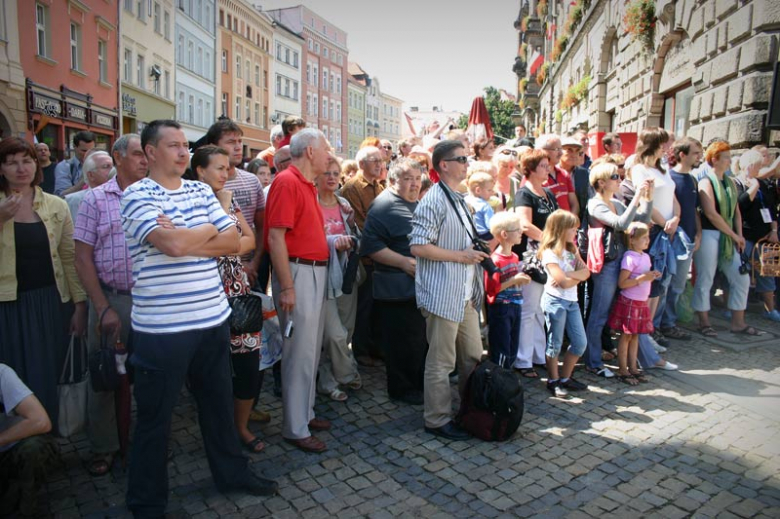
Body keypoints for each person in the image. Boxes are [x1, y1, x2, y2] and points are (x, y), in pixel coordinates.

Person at [121, 120, 277, 515]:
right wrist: (206, 232)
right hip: (162, 329)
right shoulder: (137, 194)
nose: (182, 152)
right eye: (172, 146)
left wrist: (195, 233)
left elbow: (235, 243)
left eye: (184, 146)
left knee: (218, 405)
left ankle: (232, 474)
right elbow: (170, 244)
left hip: (212, 318)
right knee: (155, 417)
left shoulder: (198, 190)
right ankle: (147, 501)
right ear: (151, 152)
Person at [74, 133, 148, 477]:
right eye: (136, 154)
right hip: (113, 298)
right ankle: (104, 446)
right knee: (105, 375)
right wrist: (101, 306)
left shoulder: (156, 193)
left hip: (152, 299)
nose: (144, 160)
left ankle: (147, 443)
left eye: (146, 154)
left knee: (150, 377)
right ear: (118, 158)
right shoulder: (95, 199)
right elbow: (82, 257)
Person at [0, 137, 87, 427]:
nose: (20, 168)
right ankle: (18, 442)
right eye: (11, 162)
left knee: (47, 371)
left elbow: (69, 257)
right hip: (7, 306)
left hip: (50, 303)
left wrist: (79, 304)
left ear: (36, 164)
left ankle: (46, 436)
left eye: (26, 160)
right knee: (13, 375)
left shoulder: (56, 205)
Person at [186, 145, 266, 454]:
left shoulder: (228, 199)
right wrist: (230, 243)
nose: (226, 172)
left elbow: (250, 239)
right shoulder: (189, 202)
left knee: (247, 366)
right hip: (205, 295)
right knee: (212, 372)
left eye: (227, 167)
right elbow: (192, 245)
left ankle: (241, 426)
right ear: (200, 171)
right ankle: (218, 431)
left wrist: (222, 245)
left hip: (237, 294)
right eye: (219, 168)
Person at [264, 128, 340, 454]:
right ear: (310, 151)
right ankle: (295, 427)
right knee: (298, 352)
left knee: (309, 349)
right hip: (299, 272)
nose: (329, 155)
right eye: (325, 149)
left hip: (312, 271)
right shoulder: (287, 182)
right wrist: (289, 286)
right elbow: (275, 237)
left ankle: (305, 414)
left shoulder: (304, 183)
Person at [410, 140, 488, 441]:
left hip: (464, 293)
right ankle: (437, 419)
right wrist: (461, 256)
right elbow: (417, 246)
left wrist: (474, 251)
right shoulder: (433, 200)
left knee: (471, 357)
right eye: (462, 159)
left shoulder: (458, 198)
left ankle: (469, 412)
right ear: (444, 165)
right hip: (442, 293)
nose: (468, 163)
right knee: (441, 362)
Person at [362, 159, 427, 405]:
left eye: (417, 179)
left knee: (417, 339)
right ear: (393, 180)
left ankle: (417, 383)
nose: (414, 184)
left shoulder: (417, 203)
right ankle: (402, 389)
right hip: (396, 287)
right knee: (401, 341)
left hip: (417, 286)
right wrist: (402, 262)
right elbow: (370, 246)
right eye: (408, 179)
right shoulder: (383, 206)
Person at [584, 163, 652, 379]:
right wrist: (638, 194)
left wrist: (648, 198)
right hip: (607, 264)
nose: (619, 179)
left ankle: (610, 357)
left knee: (609, 312)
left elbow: (640, 221)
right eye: (614, 176)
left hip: (620, 261)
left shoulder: (614, 202)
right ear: (601, 182)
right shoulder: (595, 204)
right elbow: (622, 224)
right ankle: (592, 361)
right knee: (599, 314)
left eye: (619, 175)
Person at [693, 141, 755, 338]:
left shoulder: (729, 183)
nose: (730, 160)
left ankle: (738, 322)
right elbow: (711, 214)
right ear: (714, 160)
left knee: (741, 277)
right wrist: (734, 234)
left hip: (728, 236)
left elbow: (736, 211)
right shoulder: (706, 182)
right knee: (706, 278)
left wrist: (739, 235)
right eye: (726, 157)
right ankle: (703, 321)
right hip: (711, 234)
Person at [316, 156, 362, 402]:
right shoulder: (311, 204)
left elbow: (356, 237)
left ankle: (329, 380)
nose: (332, 177)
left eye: (336, 173)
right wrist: (334, 242)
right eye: (327, 173)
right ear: (316, 176)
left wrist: (352, 224)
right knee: (332, 334)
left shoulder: (343, 203)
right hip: (320, 274)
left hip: (346, 273)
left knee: (346, 331)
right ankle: (347, 373)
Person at [629, 128, 679, 348]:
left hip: (669, 229)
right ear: (654, 145)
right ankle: (643, 336)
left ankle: (649, 331)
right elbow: (646, 201)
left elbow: (673, 196)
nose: (667, 148)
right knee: (651, 281)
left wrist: (676, 217)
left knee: (661, 282)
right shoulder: (639, 169)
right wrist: (663, 223)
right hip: (655, 230)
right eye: (663, 144)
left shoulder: (663, 168)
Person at [512, 149, 558, 378]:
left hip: (548, 256)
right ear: (529, 169)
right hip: (531, 258)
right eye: (542, 165)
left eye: (547, 165)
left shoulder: (549, 194)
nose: (547, 169)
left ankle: (538, 355)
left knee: (541, 309)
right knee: (529, 309)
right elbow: (524, 224)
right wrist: (550, 241)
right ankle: (523, 360)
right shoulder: (524, 193)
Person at [340, 146, 386, 367]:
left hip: (382, 256)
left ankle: (374, 346)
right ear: (361, 164)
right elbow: (358, 224)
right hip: (365, 257)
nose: (379, 164)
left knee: (376, 306)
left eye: (381, 160)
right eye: (374, 160)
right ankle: (360, 350)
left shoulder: (380, 186)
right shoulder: (352, 187)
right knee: (363, 307)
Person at [206, 120, 265, 287]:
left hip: (249, 268)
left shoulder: (252, 181)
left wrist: (254, 262)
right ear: (213, 146)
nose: (238, 147)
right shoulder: (203, 187)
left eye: (240, 141)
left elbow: (261, 227)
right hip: (215, 270)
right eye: (231, 142)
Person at [539, 210, 590, 397]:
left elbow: (586, 272)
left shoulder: (572, 248)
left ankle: (565, 377)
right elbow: (564, 282)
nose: (576, 231)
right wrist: (573, 277)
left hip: (572, 301)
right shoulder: (550, 253)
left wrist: (568, 275)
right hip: (555, 301)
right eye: (573, 228)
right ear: (561, 229)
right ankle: (553, 380)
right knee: (555, 342)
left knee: (579, 342)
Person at [659, 138, 703, 339]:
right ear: (682, 155)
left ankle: (669, 323)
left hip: (689, 240)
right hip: (671, 238)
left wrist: (698, 233)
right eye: (695, 153)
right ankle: (658, 325)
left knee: (678, 285)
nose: (699, 157)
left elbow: (694, 210)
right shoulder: (670, 177)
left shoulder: (693, 179)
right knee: (665, 284)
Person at [0, 363, 57, 517]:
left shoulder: (3, 374)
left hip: (13, 450)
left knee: (34, 448)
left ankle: (26, 508)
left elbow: (41, 421)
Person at [609, 222, 660, 385]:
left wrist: (651, 276)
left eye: (647, 238)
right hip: (630, 301)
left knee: (635, 335)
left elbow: (644, 276)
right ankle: (623, 368)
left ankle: (633, 366)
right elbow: (622, 283)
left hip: (641, 302)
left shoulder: (645, 256)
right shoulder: (629, 258)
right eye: (643, 238)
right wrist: (641, 279)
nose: (647, 241)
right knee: (626, 335)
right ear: (632, 240)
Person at [737, 149, 780, 321]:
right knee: (740, 273)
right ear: (750, 165)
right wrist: (753, 186)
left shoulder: (763, 184)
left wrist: (774, 230)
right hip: (747, 236)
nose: (761, 169)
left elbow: (771, 209)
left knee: (769, 273)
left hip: (766, 237)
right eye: (758, 166)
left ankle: (770, 310)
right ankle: (735, 309)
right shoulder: (739, 182)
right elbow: (741, 206)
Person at [485, 212, 531, 369]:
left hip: (515, 305)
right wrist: (514, 280)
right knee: (501, 347)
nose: (521, 233)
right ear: (504, 234)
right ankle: (499, 379)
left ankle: (507, 378)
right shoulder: (495, 260)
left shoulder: (515, 256)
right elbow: (491, 290)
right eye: (517, 230)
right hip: (501, 307)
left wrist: (520, 279)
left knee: (512, 346)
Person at [65, 150, 113, 221]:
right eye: (106, 167)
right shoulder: (73, 201)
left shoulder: (124, 196)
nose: (113, 170)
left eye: (113, 166)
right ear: (90, 175)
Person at [535, 134, 577, 213]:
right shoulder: (533, 177)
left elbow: (574, 204)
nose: (561, 153)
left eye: (561, 149)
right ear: (542, 150)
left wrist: (571, 221)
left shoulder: (564, 174)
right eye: (557, 149)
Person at [54, 130, 96, 196]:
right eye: (84, 151)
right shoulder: (65, 166)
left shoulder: (100, 165)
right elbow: (61, 195)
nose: (88, 154)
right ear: (74, 147)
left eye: (91, 150)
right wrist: (83, 181)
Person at [464, 172, 496, 241]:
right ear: (478, 190)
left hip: (467, 234)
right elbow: (490, 226)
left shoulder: (464, 200)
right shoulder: (485, 206)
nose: (492, 192)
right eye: (489, 190)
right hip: (483, 236)